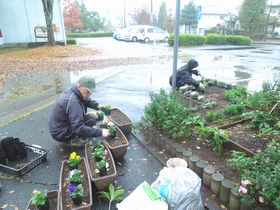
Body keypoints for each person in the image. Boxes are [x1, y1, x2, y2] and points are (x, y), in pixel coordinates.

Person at [49, 75, 109, 147]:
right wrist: (101, 132)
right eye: (88, 91)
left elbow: (87, 100)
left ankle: (74, 136)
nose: (89, 94)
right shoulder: (74, 102)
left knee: (91, 118)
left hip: (61, 126)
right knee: (90, 120)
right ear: (79, 86)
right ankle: (73, 140)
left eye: (91, 92)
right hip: (60, 133)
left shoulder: (75, 91)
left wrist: (99, 106)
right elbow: (78, 128)